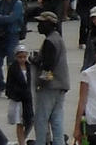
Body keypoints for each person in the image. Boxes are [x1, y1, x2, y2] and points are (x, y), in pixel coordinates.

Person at [31, 11, 69, 145]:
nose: (38, 25)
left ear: (49, 24)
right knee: (57, 120)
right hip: (61, 86)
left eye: (41, 23)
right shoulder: (58, 38)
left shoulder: (50, 41)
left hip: (50, 87)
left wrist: (40, 83)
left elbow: (49, 67)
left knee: (41, 120)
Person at [7, 43, 35, 145]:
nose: (22, 59)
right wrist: (13, 94)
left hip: (28, 98)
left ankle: (22, 138)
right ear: (16, 57)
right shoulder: (13, 68)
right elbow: (9, 83)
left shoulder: (29, 67)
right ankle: (21, 142)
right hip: (18, 99)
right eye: (20, 57)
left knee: (30, 121)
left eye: (24, 57)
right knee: (20, 123)